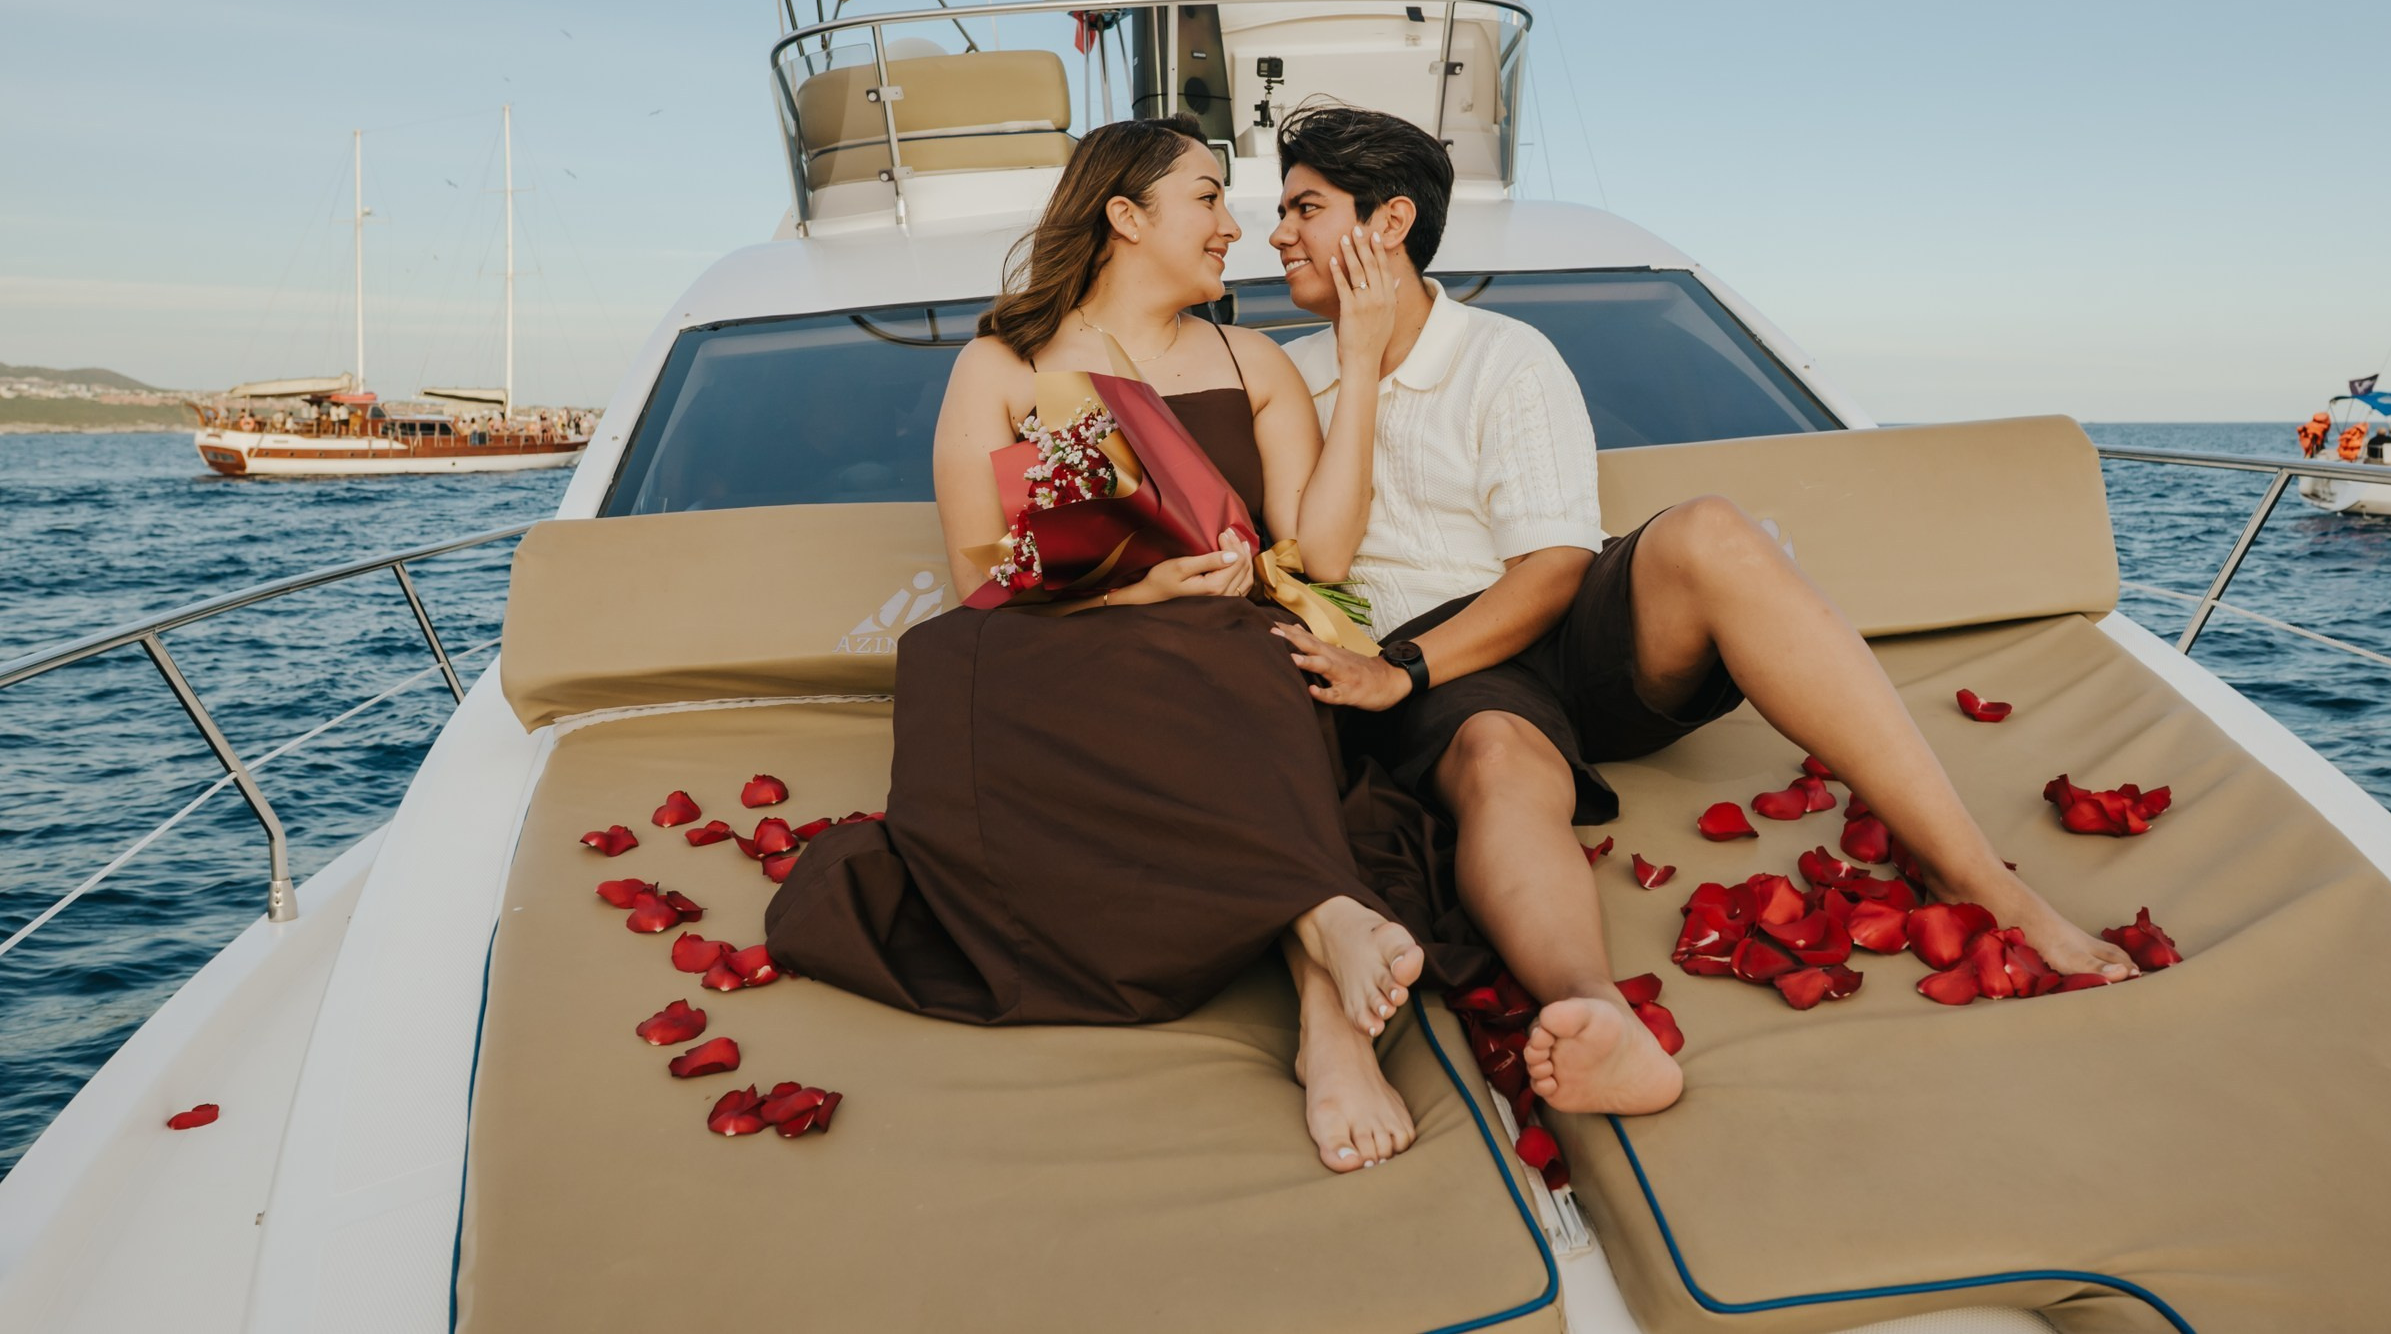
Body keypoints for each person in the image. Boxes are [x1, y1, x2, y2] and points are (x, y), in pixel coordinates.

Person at [1261, 103, 2138, 1129]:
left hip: (1536, 618)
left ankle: (1980, 876)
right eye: (1279, 209)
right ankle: (1593, 1008)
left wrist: (1405, 673)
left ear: (1388, 221)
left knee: (1713, 529)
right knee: (1500, 754)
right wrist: (1403, 669)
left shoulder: (1506, 356)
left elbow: (1552, 568)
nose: (1277, 231)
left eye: (1304, 207)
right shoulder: (1288, 374)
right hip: (1435, 666)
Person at [768, 116, 1435, 1174]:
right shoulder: (1003, 362)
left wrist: (1354, 367)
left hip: (1225, 644)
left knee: (1252, 656)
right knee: (977, 659)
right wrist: (1135, 594)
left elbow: (1320, 548)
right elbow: (984, 576)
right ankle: (1324, 916)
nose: (1234, 226)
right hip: (1069, 650)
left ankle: (1328, 1011)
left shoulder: (1252, 358)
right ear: (1126, 215)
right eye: (1208, 198)